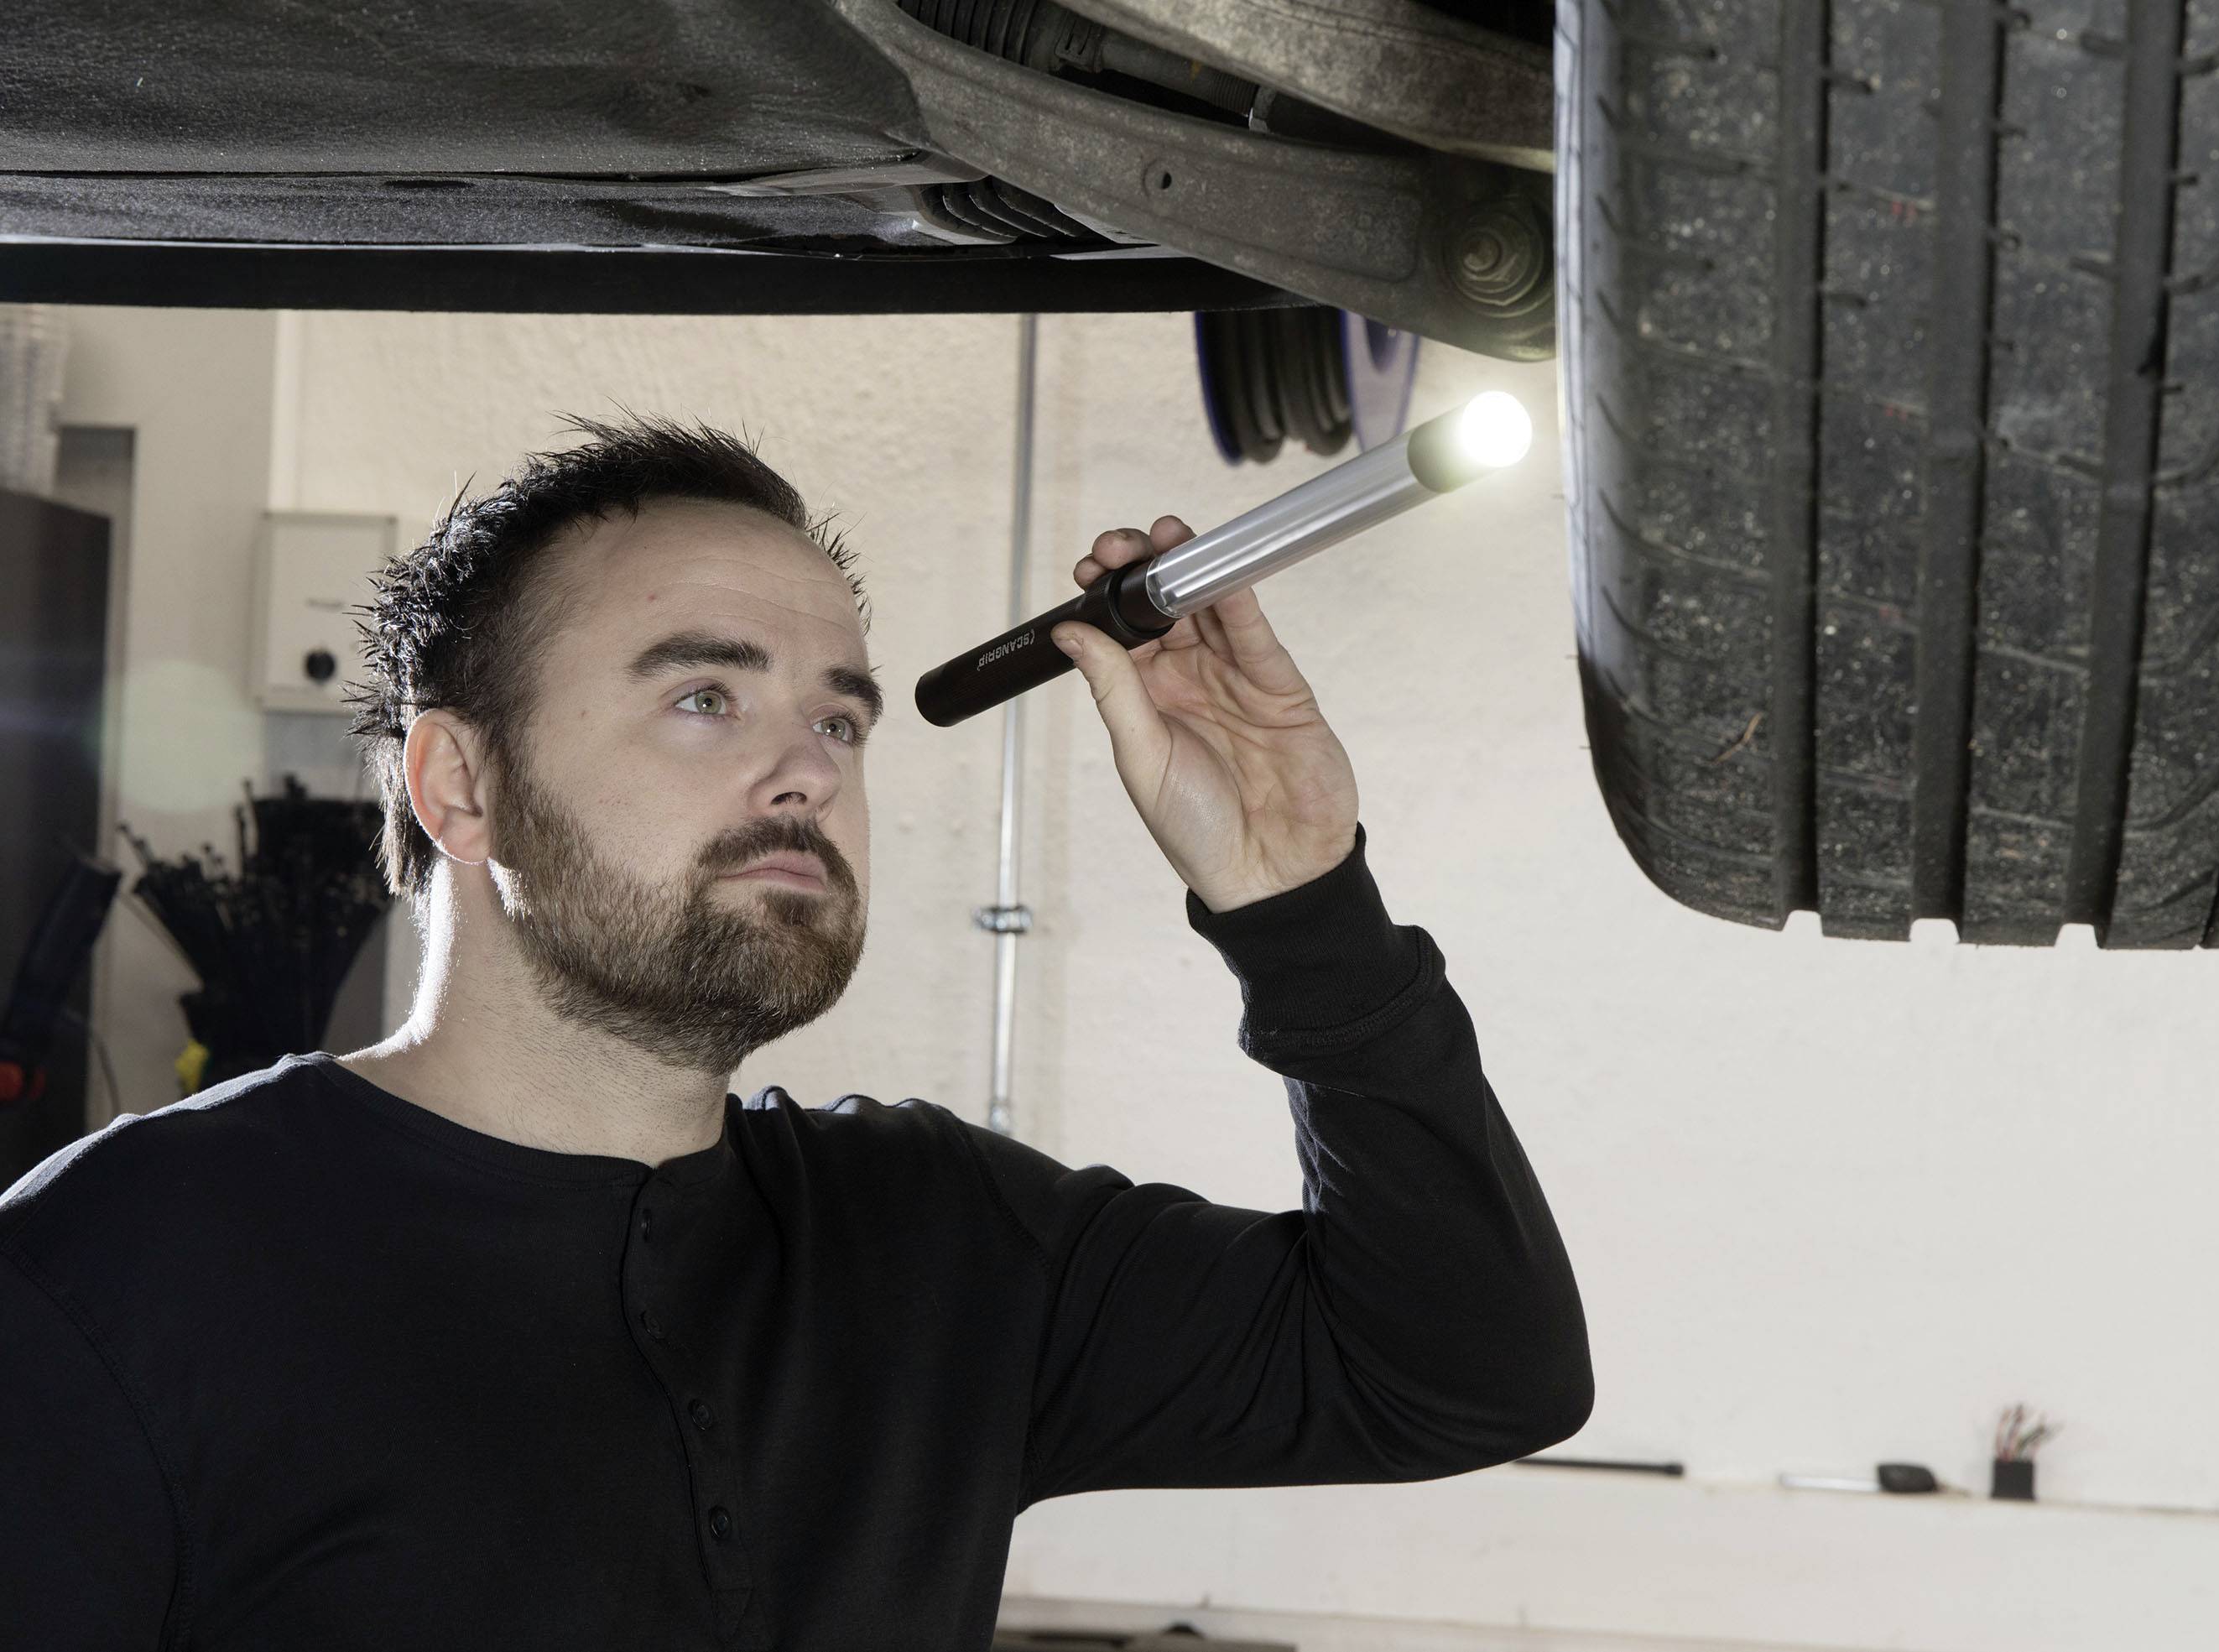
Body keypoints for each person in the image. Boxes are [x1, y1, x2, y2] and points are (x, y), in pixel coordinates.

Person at [0, 416, 1592, 1649]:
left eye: (837, 716)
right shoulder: (120, 1270)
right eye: (706, 696)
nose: (811, 770)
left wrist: (1297, 900)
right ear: (459, 784)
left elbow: (1465, 1370)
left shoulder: (937, 1238)